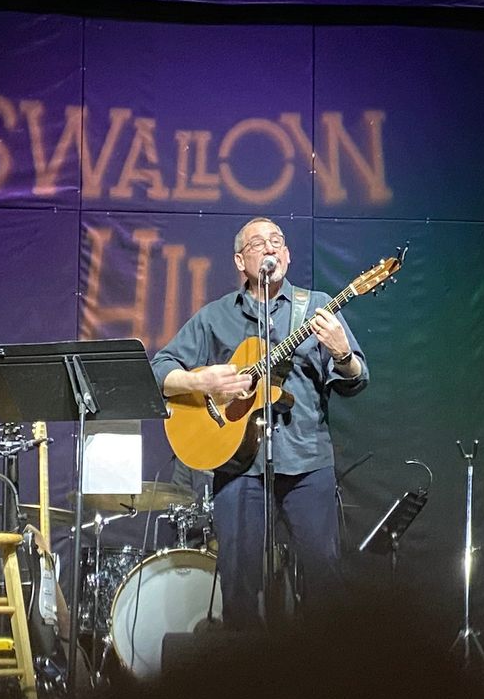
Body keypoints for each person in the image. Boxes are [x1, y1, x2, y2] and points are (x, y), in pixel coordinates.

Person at [151, 219, 369, 628]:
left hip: (306, 462)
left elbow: (356, 380)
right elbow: (159, 369)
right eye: (259, 243)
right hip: (238, 467)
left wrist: (343, 354)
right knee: (239, 586)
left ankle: (328, 667)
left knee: (324, 577)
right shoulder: (215, 316)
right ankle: (246, 668)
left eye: (277, 242)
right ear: (240, 261)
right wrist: (202, 381)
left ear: (287, 255)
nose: (270, 248)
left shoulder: (316, 307)